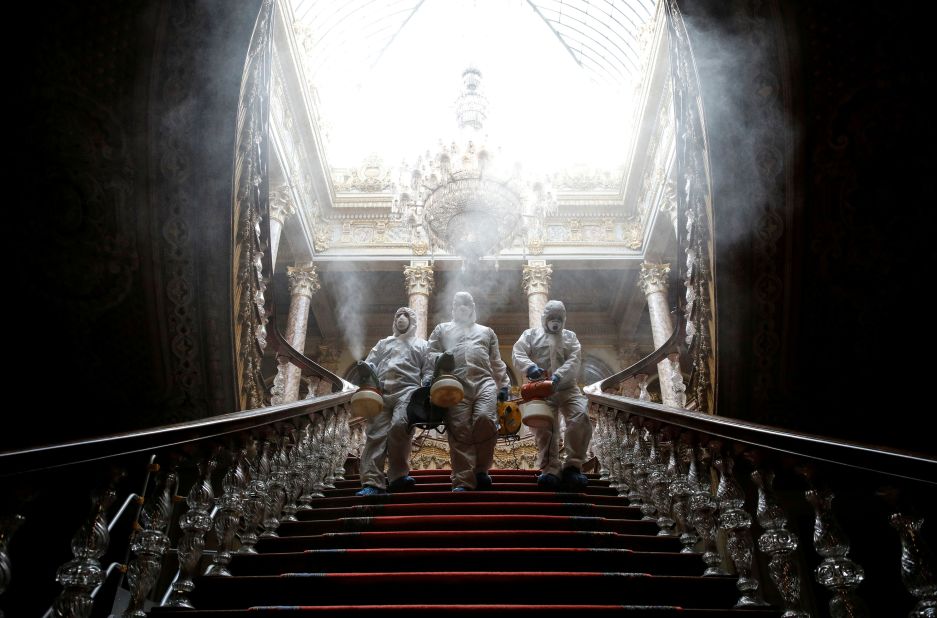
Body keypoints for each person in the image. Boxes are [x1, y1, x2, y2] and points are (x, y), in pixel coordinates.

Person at [425, 291, 510, 491]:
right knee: (459, 428)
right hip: (454, 384)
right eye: (459, 303)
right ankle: (463, 480)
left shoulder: (486, 332)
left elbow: (496, 362)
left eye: (466, 303)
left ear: (472, 307)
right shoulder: (442, 329)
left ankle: (481, 470)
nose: (463, 307)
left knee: (486, 420)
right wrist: (439, 362)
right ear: (453, 307)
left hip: (484, 382)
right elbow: (429, 354)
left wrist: (504, 384)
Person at [512, 300, 592, 491]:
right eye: (551, 318)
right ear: (544, 318)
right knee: (545, 429)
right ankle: (550, 470)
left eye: (558, 318)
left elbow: (574, 360)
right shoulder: (530, 335)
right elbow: (518, 353)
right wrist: (529, 367)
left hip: (567, 388)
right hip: (541, 388)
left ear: (563, 319)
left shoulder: (570, 337)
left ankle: (573, 466)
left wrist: (558, 376)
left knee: (580, 417)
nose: (555, 321)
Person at [356, 306, 428, 496]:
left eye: (405, 315)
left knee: (400, 426)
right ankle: (372, 482)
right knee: (375, 435)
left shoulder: (421, 345)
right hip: (381, 393)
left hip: (407, 392)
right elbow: (372, 363)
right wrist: (366, 369)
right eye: (398, 315)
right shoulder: (383, 344)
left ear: (412, 320)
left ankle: (398, 476)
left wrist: (428, 383)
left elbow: (428, 368)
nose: (401, 318)